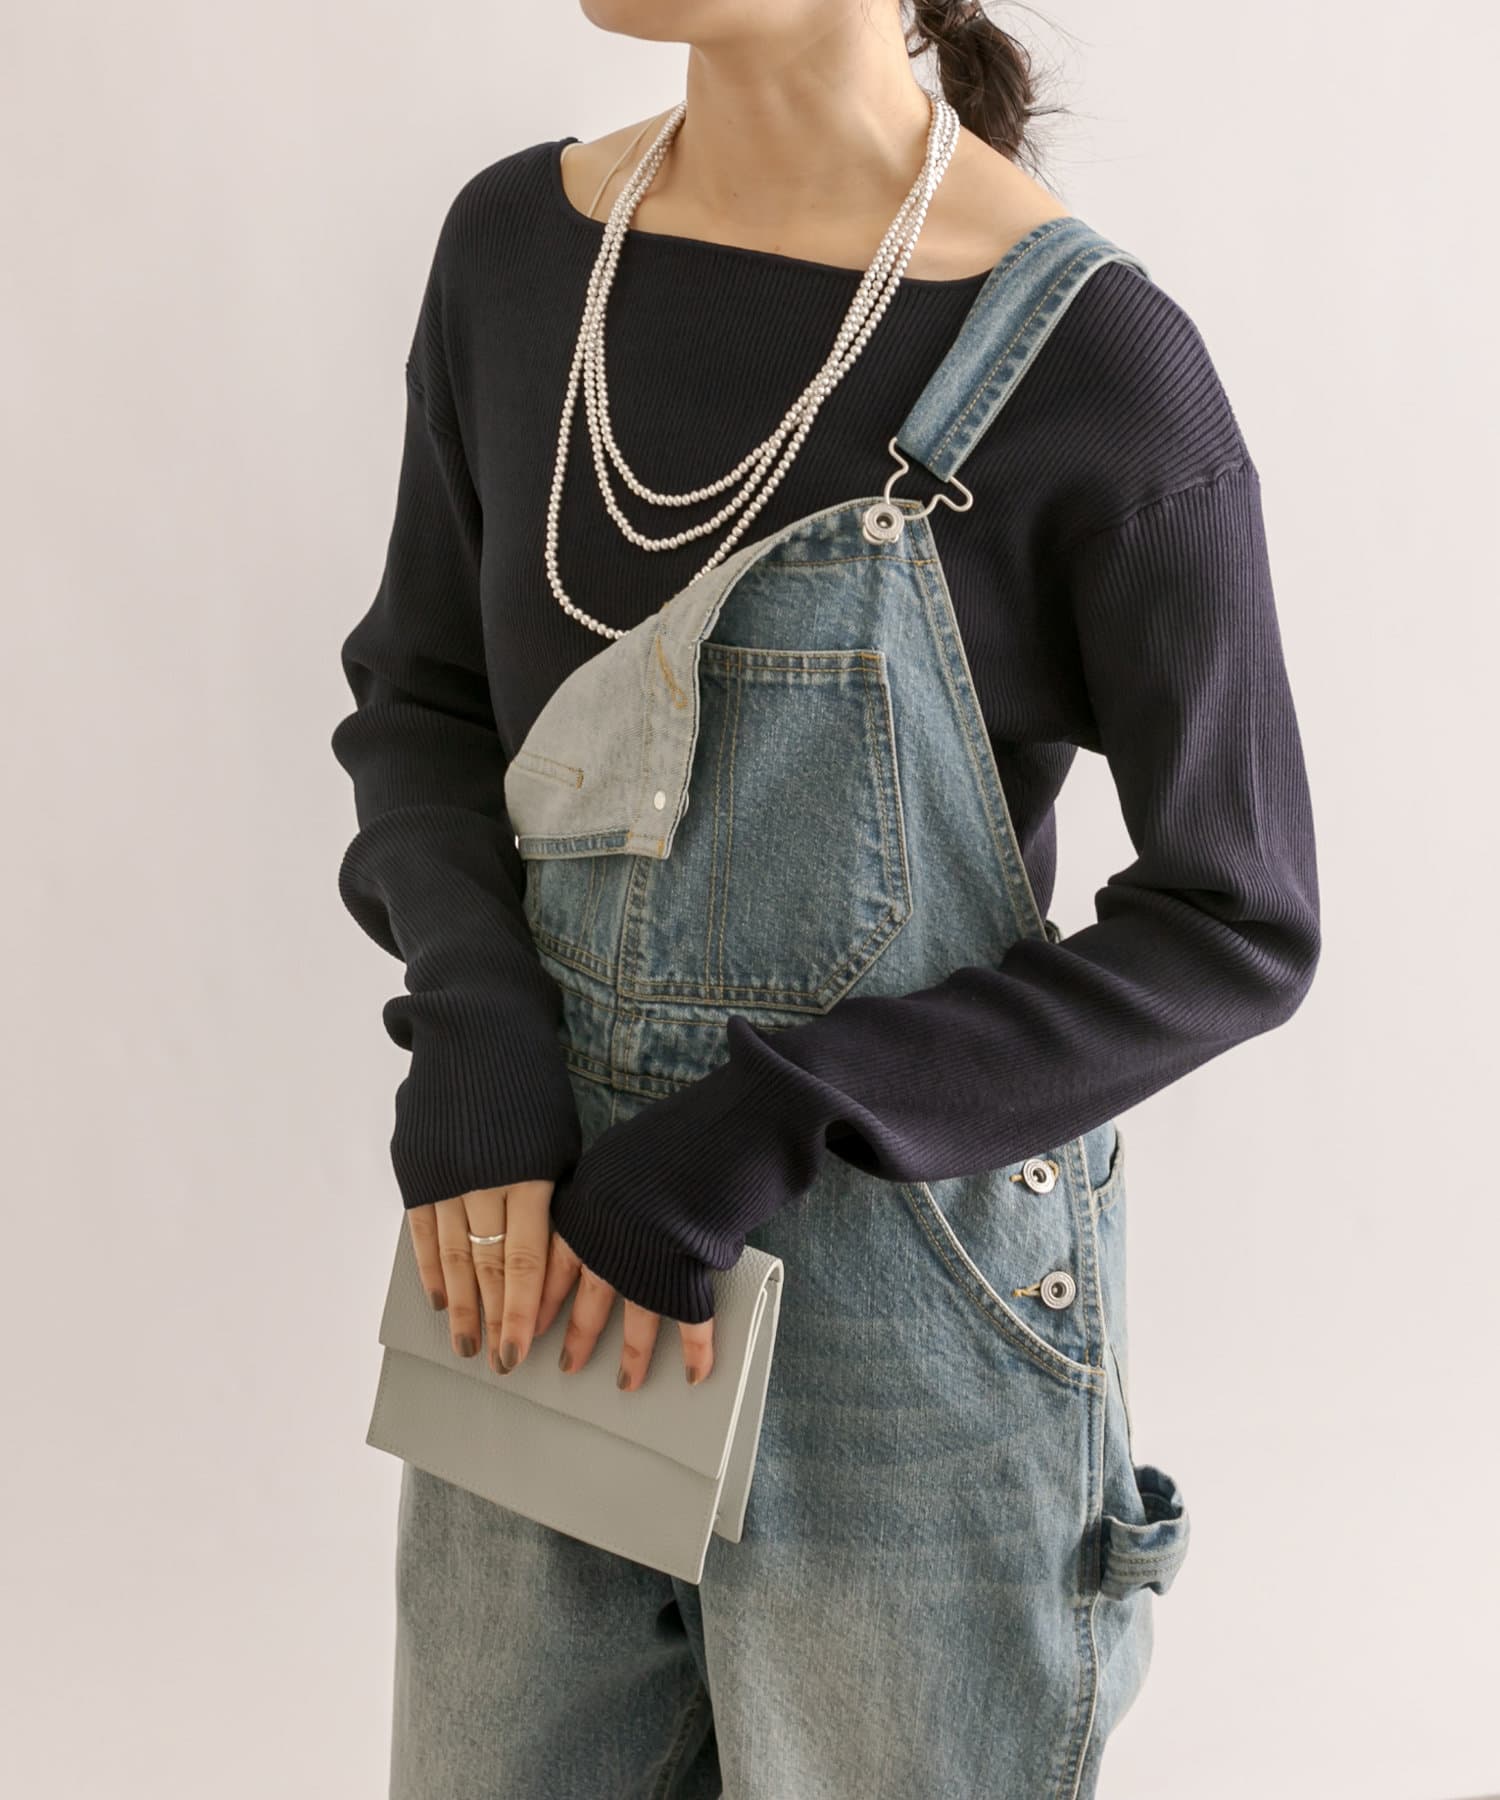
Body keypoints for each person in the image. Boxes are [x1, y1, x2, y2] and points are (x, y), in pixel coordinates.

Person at [330, 3, 1321, 1793]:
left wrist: (771, 1119)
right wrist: (477, 1033)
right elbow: (425, 697)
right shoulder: (515, 252)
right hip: (539, 1254)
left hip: (909, 1315)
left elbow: (1237, 921)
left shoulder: (1095, 360)